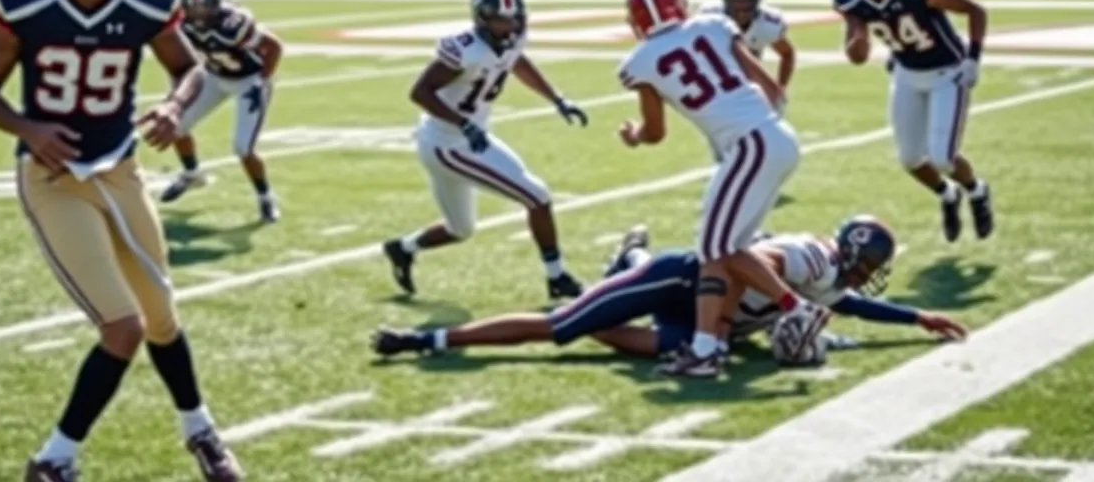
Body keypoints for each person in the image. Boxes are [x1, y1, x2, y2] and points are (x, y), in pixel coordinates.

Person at [0, 0, 242, 482]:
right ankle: (53, 459)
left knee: (162, 316)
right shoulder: (27, 1)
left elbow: (188, 67)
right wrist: (28, 127)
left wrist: (174, 106)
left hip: (120, 166)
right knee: (123, 327)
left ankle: (201, 432)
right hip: (54, 178)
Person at [372, 217, 965, 362]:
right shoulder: (813, 255)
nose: (869, 277)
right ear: (856, 255)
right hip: (681, 278)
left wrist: (917, 320)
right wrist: (789, 304)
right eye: (872, 265)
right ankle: (425, 341)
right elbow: (748, 254)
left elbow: (853, 303)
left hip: (705, 318)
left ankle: (620, 271)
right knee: (557, 330)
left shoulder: (833, 278)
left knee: (638, 342)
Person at [616, 0, 823, 378]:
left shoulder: (639, 62)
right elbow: (762, 80)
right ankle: (706, 350)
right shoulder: (713, 24)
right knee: (720, 247)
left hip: (749, 147)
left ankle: (797, 309)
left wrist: (634, 137)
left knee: (715, 246)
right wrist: (767, 108)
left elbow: (655, 132)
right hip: (771, 137)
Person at [381, 0, 588, 300]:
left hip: (464, 139)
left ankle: (402, 248)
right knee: (538, 197)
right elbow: (419, 92)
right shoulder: (465, 49)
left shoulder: (510, 40)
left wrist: (557, 99)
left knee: (460, 229)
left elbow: (516, 62)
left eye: (515, 18)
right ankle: (557, 277)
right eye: (502, 20)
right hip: (447, 143)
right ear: (482, 18)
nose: (511, 26)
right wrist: (463, 123)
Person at [835, 0, 993, 242]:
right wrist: (857, 42)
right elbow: (856, 51)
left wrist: (972, 58)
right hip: (907, 73)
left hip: (947, 73)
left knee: (942, 157)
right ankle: (948, 196)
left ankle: (977, 190)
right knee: (909, 158)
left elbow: (975, 10)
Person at [160, 0, 284, 223]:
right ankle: (192, 174)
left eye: (203, 6)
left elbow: (274, 46)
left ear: (215, 2)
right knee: (176, 124)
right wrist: (177, 94)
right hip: (214, 76)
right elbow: (183, 61)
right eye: (192, 6)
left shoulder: (233, 23)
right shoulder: (182, 22)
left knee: (242, 147)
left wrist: (262, 80)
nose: (197, 12)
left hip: (247, 81)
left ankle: (266, 198)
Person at [702, 0, 796, 92]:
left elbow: (787, 53)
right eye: (736, 1)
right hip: (713, 87)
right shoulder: (709, 18)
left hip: (748, 86)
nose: (741, 9)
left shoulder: (767, 23)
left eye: (746, 1)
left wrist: (780, 88)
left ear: (757, 0)